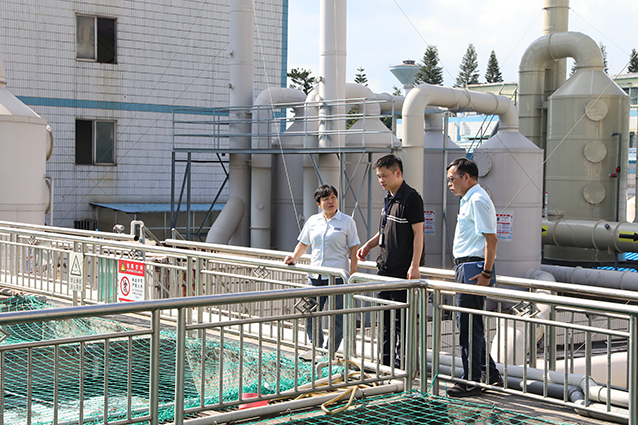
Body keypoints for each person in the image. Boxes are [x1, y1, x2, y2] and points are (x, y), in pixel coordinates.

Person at [357, 154, 424, 368]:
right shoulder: (389, 197)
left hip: (401, 271)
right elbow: (384, 230)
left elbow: (418, 234)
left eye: (384, 175)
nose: (381, 180)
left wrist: (414, 265)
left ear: (398, 172)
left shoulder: (411, 198)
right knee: (385, 320)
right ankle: (385, 363)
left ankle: (403, 365)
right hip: (384, 269)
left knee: (401, 322)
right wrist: (369, 245)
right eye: (378, 177)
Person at [445, 157, 503, 397]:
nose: (449, 183)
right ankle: (489, 374)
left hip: (473, 269)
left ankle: (471, 380)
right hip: (466, 267)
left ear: (466, 177)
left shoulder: (477, 199)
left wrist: (486, 273)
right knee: (469, 324)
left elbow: (491, 239)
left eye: (452, 179)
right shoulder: (469, 199)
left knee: (469, 326)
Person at [284, 184, 360, 357]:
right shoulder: (313, 221)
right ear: (319, 204)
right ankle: (316, 348)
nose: (331, 201)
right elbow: (304, 243)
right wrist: (294, 257)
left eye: (333, 197)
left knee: (337, 318)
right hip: (315, 275)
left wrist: (353, 271)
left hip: (338, 277)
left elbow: (354, 248)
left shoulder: (347, 221)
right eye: (326, 199)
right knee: (311, 314)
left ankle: (328, 352)